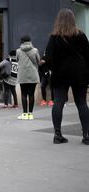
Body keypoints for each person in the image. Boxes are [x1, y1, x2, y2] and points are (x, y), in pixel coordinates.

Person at [44, 9, 89, 145]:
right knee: (81, 103)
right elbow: (88, 55)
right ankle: (86, 135)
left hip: (60, 73)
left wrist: (47, 67)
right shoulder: (80, 35)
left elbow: (49, 58)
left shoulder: (54, 37)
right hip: (79, 73)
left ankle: (57, 135)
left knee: (58, 102)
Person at [16, 35, 40, 121]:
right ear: (30, 41)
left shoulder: (18, 51)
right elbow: (38, 61)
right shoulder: (35, 50)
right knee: (31, 94)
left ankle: (24, 114)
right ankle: (30, 114)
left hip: (22, 75)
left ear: (21, 41)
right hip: (33, 74)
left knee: (23, 94)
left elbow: (17, 60)